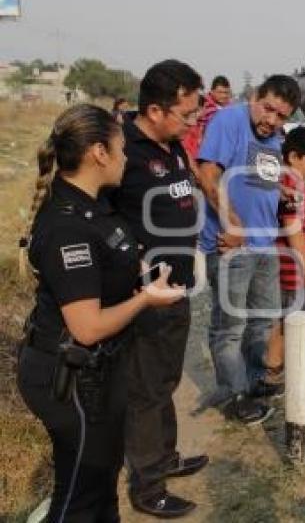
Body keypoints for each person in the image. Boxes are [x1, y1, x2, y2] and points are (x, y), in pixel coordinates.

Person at [16, 104, 185, 522]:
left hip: (99, 374)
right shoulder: (67, 225)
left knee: (102, 486)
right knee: (80, 498)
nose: (127, 157)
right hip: (70, 378)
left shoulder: (94, 205)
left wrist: (139, 272)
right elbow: (87, 327)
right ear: (98, 153)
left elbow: (111, 255)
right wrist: (146, 300)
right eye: (121, 148)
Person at [111, 59, 206, 518]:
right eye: (185, 114)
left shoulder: (172, 146)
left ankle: (165, 456)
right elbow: (100, 222)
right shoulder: (119, 151)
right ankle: (148, 486)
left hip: (177, 288)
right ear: (153, 109)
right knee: (146, 389)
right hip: (146, 296)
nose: (192, 124)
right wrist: (135, 265)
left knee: (165, 380)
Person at [196, 75, 300, 424]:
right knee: (230, 327)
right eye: (268, 108)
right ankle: (235, 394)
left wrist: (278, 192)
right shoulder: (229, 120)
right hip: (231, 247)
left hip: (264, 245)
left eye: (281, 116)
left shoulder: (272, 137)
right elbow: (208, 174)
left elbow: (256, 175)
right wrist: (234, 223)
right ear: (255, 97)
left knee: (261, 323)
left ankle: (254, 382)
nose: (271, 120)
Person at [264, 127, 305, 382]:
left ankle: (275, 370)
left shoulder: (286, 178)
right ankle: (302, 377)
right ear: (293, 157)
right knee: (303, 324)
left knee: (286, 321)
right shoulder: (291, 182)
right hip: (297, 272)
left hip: (294, 270)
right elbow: (293, 227)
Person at [182, 75, 231, 172]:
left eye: (226, 92)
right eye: (220, 92)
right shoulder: (203, 105)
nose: (223, 95)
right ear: (212, 91)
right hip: (202, 154)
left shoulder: (231, 109)